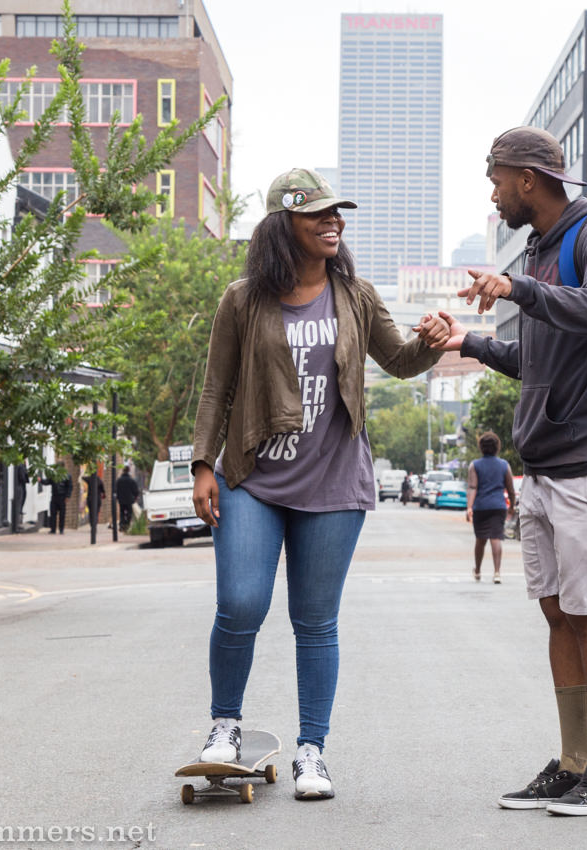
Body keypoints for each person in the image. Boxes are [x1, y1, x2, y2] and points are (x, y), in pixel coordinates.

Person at [190, 168, 448, 800]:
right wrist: (203, 465)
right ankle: (225, 727)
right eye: (319, 215)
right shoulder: (242, 299)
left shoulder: (354, 294)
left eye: (338, 215)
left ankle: (313, 750)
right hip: (253, 475)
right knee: (242, 604)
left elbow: (398, 360)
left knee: (315, 620)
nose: (334, 222)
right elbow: (217, 386)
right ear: (287, 225)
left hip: (333, 482)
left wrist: (433, 342)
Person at [433, 126, 587, 815]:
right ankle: (574, 760)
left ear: (528, 178)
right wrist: (465, 341)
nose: (493, 195)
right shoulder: (541, 249)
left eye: (496, 180)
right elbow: (536, 360)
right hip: (546, 461)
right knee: (557, 612)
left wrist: (520, 289)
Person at [466, 431, 515, 583]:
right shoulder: (504, 465)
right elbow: (511, 488)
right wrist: (512, 506)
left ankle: (478, 571)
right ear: (497, 447)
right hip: (498, 506)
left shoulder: (474, 465)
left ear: (481, 447)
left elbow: (473, 487)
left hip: (481, 506)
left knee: (480, 539)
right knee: (496, 538)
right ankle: (497, 573)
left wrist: (469, 507)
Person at [116, 465, 141, 531]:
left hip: (121, 500)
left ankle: (122, 525)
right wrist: (135, 497)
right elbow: (136, 490)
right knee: (129, 513)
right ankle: (127, 525)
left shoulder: (119, 480)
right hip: (129, 500)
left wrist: (118, 497)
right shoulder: (131, 480)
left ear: (123, 471)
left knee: (122, 512)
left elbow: (116, 490)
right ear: (128, 470)